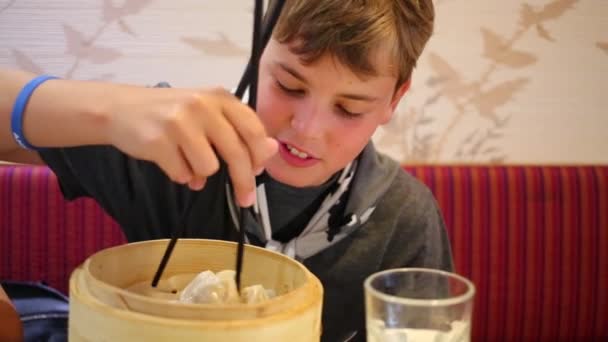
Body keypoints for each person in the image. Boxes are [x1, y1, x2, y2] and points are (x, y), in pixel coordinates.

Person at [0, 0, 453, 340]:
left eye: (350, 108)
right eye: (289, 85)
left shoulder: (405, 220)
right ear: (258, 55)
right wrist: (110, 112)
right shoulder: (178, 151)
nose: (308, 130)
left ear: (395, 99)